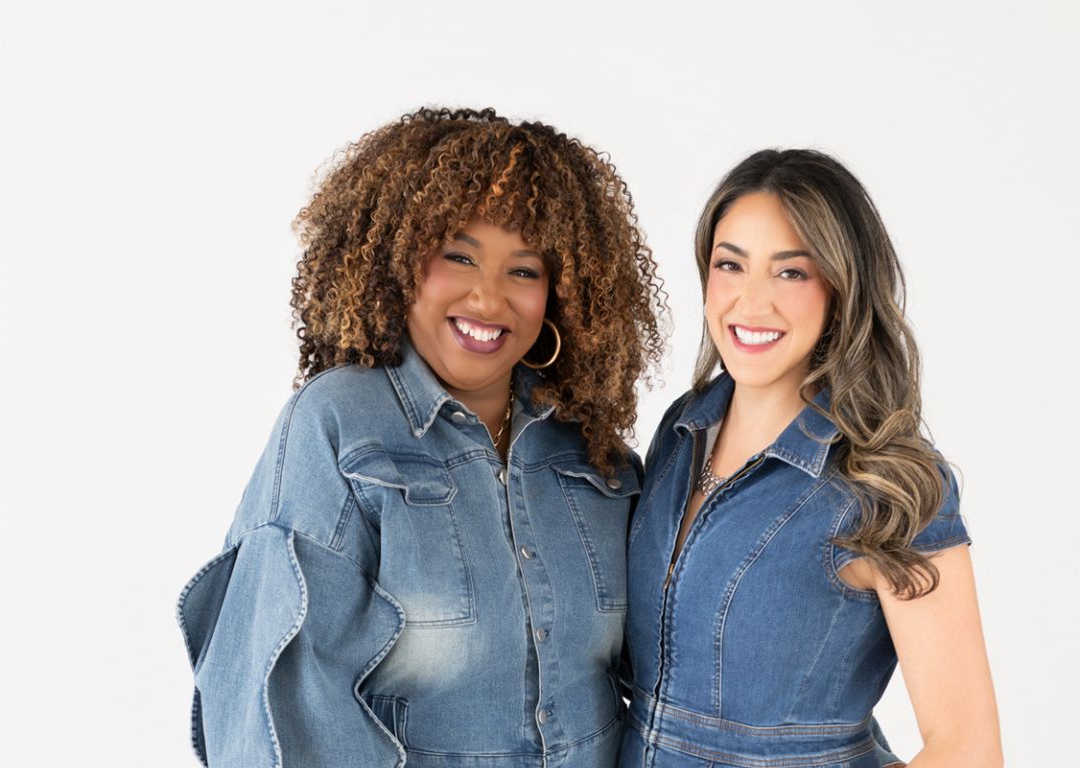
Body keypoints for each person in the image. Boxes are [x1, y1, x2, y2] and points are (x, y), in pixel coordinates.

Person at [178, 107, 668, 767]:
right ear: (398, 262)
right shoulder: (339, 427)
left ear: (562, 294)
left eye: (524, 270)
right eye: (458, 256)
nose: (489, 299)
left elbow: (662, 685)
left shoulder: (595, 456)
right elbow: (271, 709)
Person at [619, 149, 1001, 768]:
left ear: (841, 288)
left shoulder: (888, 481)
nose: (751, 302)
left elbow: (969, 750)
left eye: (790, 273)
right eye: (730, 264)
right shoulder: (679, 433)